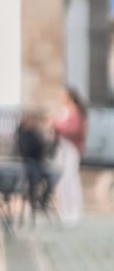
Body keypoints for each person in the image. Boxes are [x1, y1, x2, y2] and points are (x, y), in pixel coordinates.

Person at [51, 85, 87, 227]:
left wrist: (57, 125)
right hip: (62, 148)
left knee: (70, 179)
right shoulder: (63, 110)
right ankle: (64, 213)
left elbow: (73, 129)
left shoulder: (74, 111)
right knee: (62, 181)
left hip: (70, 148)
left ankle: (74, 213)